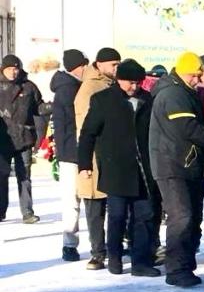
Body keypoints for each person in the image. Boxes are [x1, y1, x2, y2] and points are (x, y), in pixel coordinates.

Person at [149, 51, 204, 287]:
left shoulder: (183, 91)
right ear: (182, 72)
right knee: (181, 217)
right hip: (172, 165)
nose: (197, 79)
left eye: (197, 75)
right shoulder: (173, 94)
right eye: (193, 75)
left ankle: (185, 265)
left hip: (185, 163)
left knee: (190, 216)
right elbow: (187, 128)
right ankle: (176, 269)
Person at [77, 59, 159, 277]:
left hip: (143, 169)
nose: (134, 87)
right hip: (116, 168)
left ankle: (140, 262)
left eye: (138, 82)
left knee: (144, 215)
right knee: (117, 216)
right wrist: (84, 164)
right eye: (130, 82)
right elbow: (88, 134)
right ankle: (114, 257)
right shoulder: (103, 100)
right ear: (119, 80)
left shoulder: (147, 99)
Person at [74, 47, 122, 268]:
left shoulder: (112, 84)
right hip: (95, 157)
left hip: (113, 156)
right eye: (113, 64)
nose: (116, 68)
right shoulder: (90, 87)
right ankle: (98, 252)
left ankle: (115, 247)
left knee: (116, 206)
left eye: (118, 64)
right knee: (95, 207)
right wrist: (88, 160)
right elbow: (86, 129)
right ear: (99, 64)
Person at [50, 50, 90, 258]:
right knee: (74, 200)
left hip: (70, 152)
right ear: (77, 67)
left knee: (74, 200)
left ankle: (71, 244)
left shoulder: (70, 86)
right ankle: (70, 244)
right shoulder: (69, 89)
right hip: (72, 153)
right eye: (84, 64)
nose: (87, 68)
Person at [1, 53, 49, 223]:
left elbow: (38, 107)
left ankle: (27, 212)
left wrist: (50, 107)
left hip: (24, 137)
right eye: (9, 69)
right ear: (3, 69)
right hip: (3, 139)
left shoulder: (29, 87)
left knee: (24, 177)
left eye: (16, 69)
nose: (13, 72)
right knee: (1, 176)